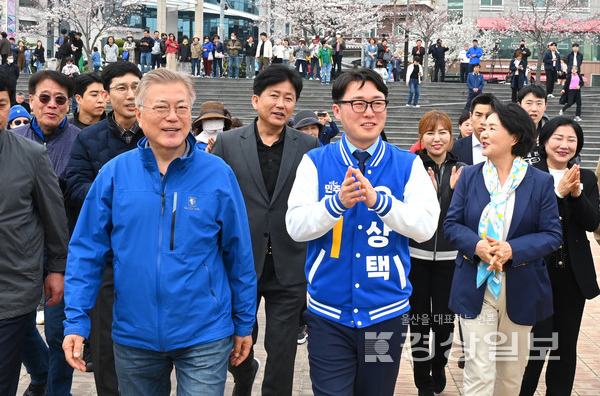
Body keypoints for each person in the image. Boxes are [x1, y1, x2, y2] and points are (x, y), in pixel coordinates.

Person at [63, 68, 257, 396]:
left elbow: (239, 254)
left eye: (182, 108)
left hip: (205, 332)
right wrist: (76, 320)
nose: (173, 117)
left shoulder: (218, 175)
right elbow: (86, 251)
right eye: (161, 107)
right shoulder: (114, 174)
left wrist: (244, 322)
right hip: (134, 334)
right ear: (139, 113)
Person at [285, 68, 440, 396]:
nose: (369, 112)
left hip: (384, 314)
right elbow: (296, 227)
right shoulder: (315, 162)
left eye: (377, 103)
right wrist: (335, 204)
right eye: (358, 103)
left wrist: (380, 201)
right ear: (337, 111)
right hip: (328, 315)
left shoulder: (407, 164)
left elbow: (426, 227)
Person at [212, 65, 320, 396]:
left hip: (290, 263)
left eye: (289, 98)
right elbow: (211, 194)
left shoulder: (308, 146)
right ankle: (244, 377)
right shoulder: (228, 144)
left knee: (283, 349)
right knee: (235, 340)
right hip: (240, 261)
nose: (281, 104)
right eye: (274, 96)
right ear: (256, 100)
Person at [444, 100, 562, 396]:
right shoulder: (470, 176)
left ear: (514, 137)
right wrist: (477, 245)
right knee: (478, 371)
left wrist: (512, 249)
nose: (482, 133)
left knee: (510, 376)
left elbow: (551, 234)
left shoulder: (539, 182)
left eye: (491, 128)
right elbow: (452, 225)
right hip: (476, 284)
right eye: (482, 127)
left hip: (520, 286)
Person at [65, 61, 143, 396]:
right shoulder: (89, 138)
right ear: (107, 95)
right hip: (108, 258)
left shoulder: (157, 133)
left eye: (137, 87)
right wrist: (120, 196)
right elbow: (75, 188)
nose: (130, 95)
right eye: (122, 88)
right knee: (107, 345)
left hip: (149, 254)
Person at [12, 69, 81, 396]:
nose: (51, 105)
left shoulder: (81, 142)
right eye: (44, 98)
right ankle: (40, 376)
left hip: (63, 252)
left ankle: (57, 391)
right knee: (18, 326)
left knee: (58, 332)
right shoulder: (14, 140)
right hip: (18, 252)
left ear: (69, 104)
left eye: (60, 100)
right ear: (29, 101)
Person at [519, 117, 599, 396]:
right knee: (536, 344)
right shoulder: (528, 173)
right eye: (558, 138)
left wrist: (576, 194)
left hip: (572, 276)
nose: (564, 145)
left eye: (571, 139)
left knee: (565, 346)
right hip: (537, 274)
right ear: (543, 141)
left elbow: (592, 222)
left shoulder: (586, 177)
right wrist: (557, 193)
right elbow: (525, 222)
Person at [0, 75, 69, 396]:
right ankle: (42, 375)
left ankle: (44, 380)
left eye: (0, 105)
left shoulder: (30, 154)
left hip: (12, 286)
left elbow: (54, 217)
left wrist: (57, 268)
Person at [410, 111, 464, 396]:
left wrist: (452, 194)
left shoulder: (464, 169)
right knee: (418, 321)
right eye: (430, 132)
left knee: (443, 321)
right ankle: (422, 380)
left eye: (443, 132)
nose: (436, 138)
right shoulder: (412, 167)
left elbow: (469, 215)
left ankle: (439, 364)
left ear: (451, 137)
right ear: (422, 138)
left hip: (450, 259)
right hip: (415, 257)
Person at [451, 93, 497, 165]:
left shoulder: (505, 148)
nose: (483, 121)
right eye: (478, 115)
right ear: (471, 116)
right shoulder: (455, 148)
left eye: (488, 115)